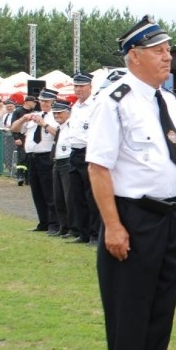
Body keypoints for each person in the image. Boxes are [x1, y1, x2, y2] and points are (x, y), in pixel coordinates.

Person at [86, 15, 176, 350]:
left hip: (171, 214)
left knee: (162, 304)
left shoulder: (165, 101)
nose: (168, 57)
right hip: (135, 215)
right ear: (134, 56)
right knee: (130, 305)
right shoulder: (114, 102)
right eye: (159, 51)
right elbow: (98, 168)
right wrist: (113, 225)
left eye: (168, 50)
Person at [10, 89, 60, 233]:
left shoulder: (55, 116)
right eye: (42, 101)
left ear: (53, 102)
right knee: (36, 191)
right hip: (32, 156)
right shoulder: (34, 115)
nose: (44, 104)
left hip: (46, 156)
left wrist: (43, 124)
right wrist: (23, 119)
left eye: (47, 101)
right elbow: (14, 128)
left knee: (49, 192)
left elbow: (58, 134)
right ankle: (43, 222)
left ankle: (54, 224)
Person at [67, 72, 100, 246]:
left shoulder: (95, 105)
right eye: (76, 86)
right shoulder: (75, 107)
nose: (78, 89)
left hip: (89, 153)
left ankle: (95, 234)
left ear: (90, 87)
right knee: (77, 195)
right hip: (75, 152)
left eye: (81, 86)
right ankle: (83, 232)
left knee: (91, 195)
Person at [50, 99, 76, 238]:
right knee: (58, 196)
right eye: (55, 113)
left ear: (68, 113)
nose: (56, 116)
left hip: (67, 160)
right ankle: (64, 226)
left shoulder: (71, 126)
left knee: (68, 196)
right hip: (58, 161)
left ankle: (73, 227)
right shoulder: (61, 127)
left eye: (59, 113)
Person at [10, 95, 37, 186]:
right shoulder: (18, 111)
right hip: (21, 136)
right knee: (22, 157)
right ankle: (20, 176)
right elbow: (13, 125)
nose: (34, 103)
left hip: (30, 137)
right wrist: (16, 138)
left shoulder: (34, 112)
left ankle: (28, 177)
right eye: (33, 102)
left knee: (30, 158)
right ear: (27, 102)